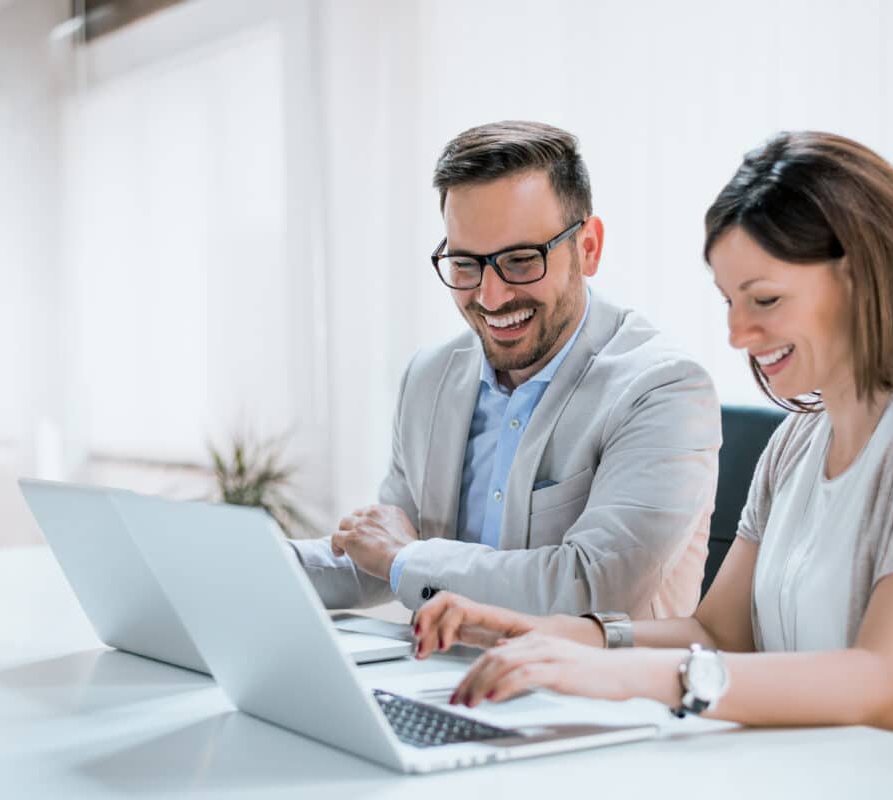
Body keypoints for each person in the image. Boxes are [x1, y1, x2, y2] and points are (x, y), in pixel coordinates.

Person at [412, 131, 893, 769]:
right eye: (728, 300)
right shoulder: (797, 439)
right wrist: (549, 633)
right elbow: (719, 632)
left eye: (763, 298)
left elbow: (881, 683)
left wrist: (623, 674)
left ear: (862, 278)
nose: (738, 334)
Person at [289, 121, 721, 618]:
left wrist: (404, 557)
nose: (491, 298)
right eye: (465, 265)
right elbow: (380, 553)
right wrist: (250, 563)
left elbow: (594, 591)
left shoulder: (663, 389)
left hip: (591, 690)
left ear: (589, 248)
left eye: (520, 260)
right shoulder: (429, 377)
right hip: (444, 682)